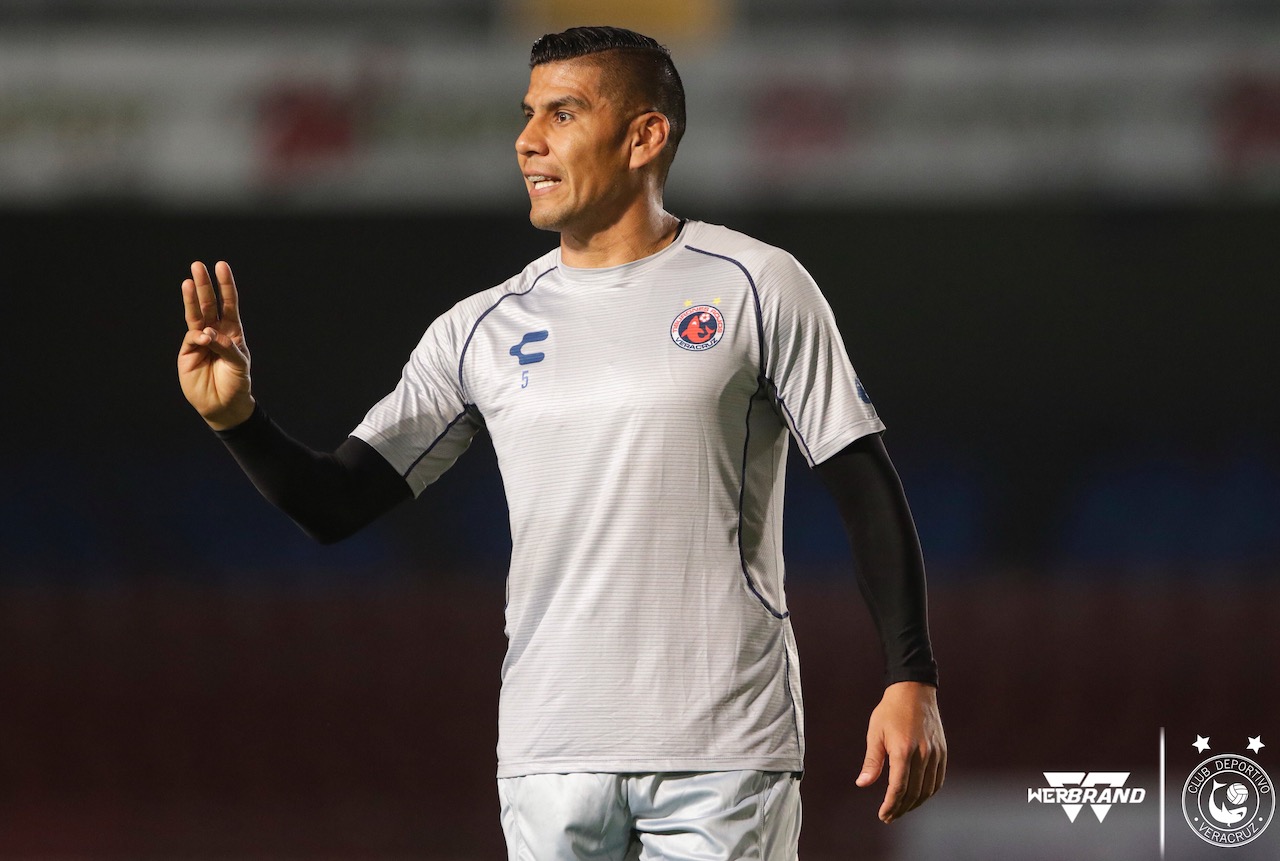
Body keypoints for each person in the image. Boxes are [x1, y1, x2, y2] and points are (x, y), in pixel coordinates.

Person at [177, 25, 946, 861]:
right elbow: (335, 502)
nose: (527, 140)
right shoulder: (479, 329)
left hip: (722, 748)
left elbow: (862, 481)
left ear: (644, 136)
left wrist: (910, 675)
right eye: (528, 114)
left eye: (563, 113)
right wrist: (237, 420)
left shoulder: (758, 284)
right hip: (549, 754)